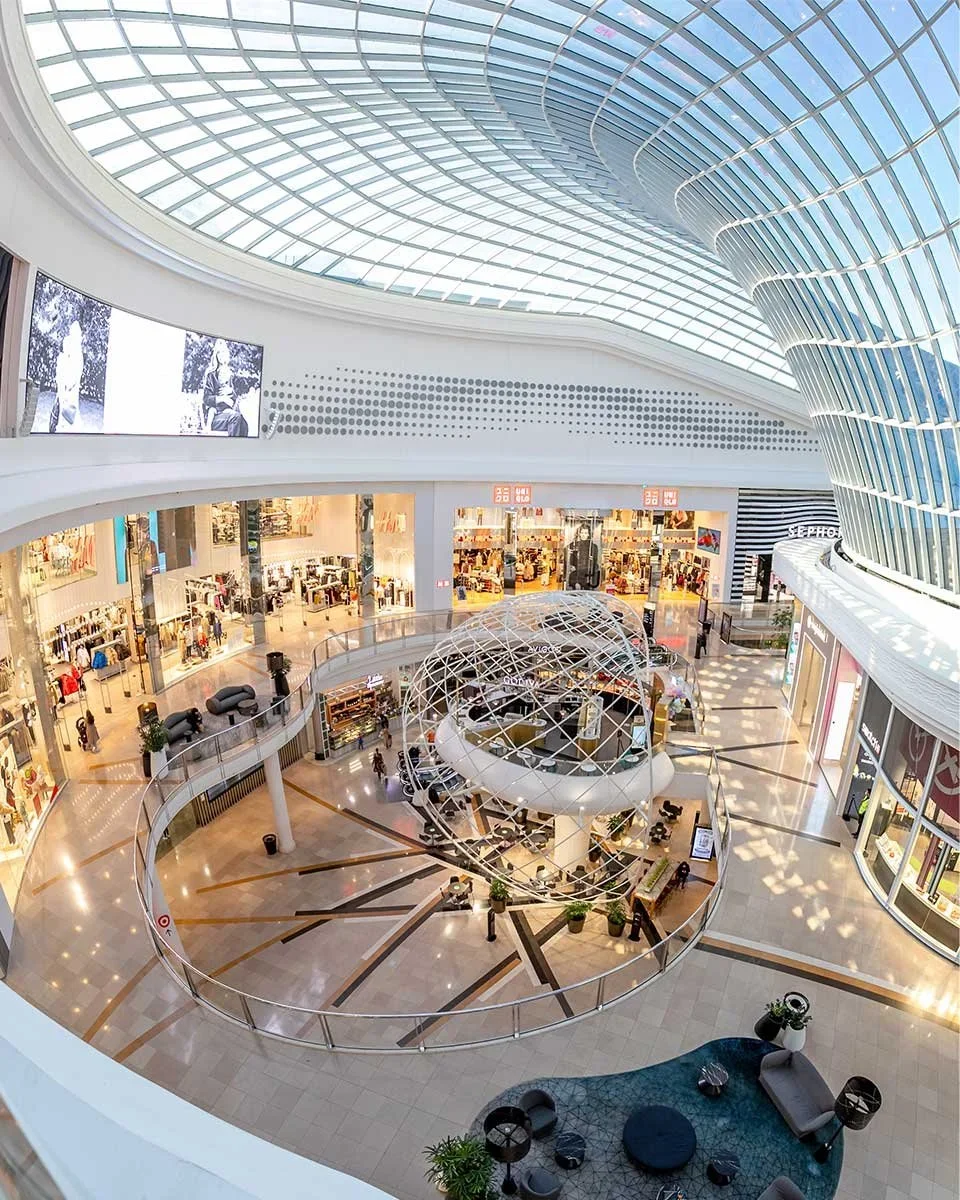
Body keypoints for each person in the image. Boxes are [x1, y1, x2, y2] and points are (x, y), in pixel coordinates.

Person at [201, 339, 250, 437]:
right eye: (219, 352)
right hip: (214, 416)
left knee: (243, 423)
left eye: (223, 352)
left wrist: (231, 391)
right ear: (216, 355)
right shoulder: (211, 375)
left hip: (227, 412)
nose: (221, 355)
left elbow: (235, 400)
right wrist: (221, 398)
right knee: (235, 418)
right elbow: (206, 399)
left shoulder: (230, 374)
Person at [49, 320, 83, 432]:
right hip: (64, 391)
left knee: (67, 418)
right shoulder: (68, 352)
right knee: (60, 414)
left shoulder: (76, 353)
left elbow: (72, 378)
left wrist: (66, 384)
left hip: (68, 392)